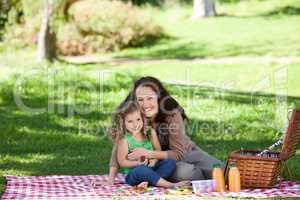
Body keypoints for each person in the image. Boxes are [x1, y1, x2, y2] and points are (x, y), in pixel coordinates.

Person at [109, 76, 224, 184]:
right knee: (186, 173)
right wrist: (111, 178)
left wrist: (148, 153)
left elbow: (179, 154)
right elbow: (119, 144)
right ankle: (202, 182)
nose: (145, 104)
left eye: (150, 98)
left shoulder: (171, 114)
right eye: (140, 99)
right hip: (163, 163)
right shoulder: (134, 118)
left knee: (223, 172)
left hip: (184, 152)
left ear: (159, 98)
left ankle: (206, 178)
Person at [109, 101, 188, 188]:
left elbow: (158, 150)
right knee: (141, 170)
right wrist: (137, 163)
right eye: (130, 121)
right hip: (134, 174)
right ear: (122, 123)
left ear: (142, 118)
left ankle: (147, 183)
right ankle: (171, 185)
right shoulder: (124, 140)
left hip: (152, 168)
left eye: (138, 119)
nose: (135, 124)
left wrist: (154, 160)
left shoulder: (150, 133)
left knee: (170, 162)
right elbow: (122, 162)